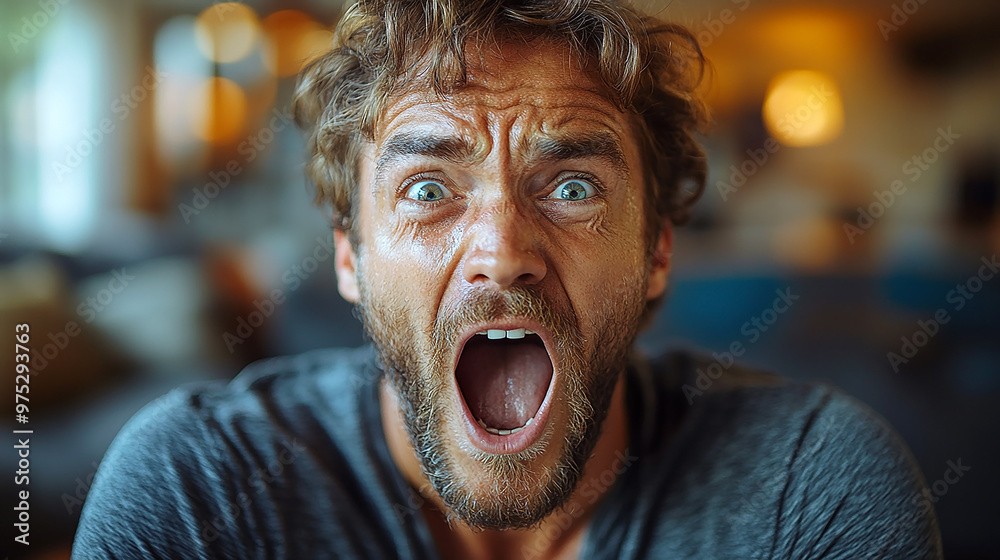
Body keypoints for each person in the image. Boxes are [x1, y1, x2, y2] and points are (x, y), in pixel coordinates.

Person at [73, 1, 943, 558]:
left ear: (656, 255)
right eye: (427, 188)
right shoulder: (199, 491)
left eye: (571, 187)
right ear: (350, 258)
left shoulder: (812, 491)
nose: (501, 251)